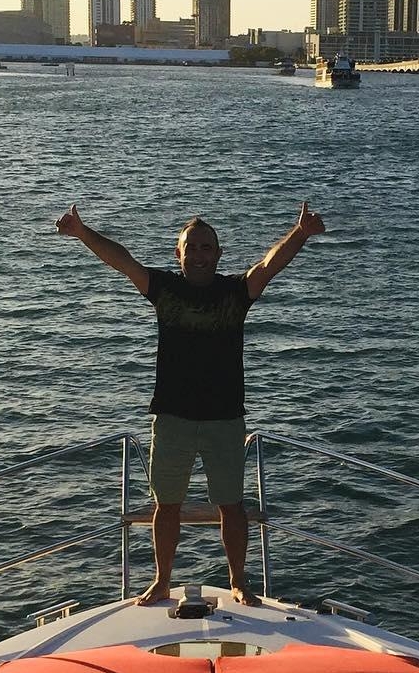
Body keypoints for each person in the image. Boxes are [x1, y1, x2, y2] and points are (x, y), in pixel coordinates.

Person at [55, 201, 326, 603]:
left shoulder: (235, 293)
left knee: (231, 506)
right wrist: (82, 232)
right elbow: (123, 261)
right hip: (172, 417)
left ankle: (239, 581)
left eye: (205, 248)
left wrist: (300, 233)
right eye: (191, 247)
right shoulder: (165, 291)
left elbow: (269, 265)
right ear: (178, 254)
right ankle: (163, 580)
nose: (198, 255)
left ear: (218, 254)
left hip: (224, 419)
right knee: (166, 506)